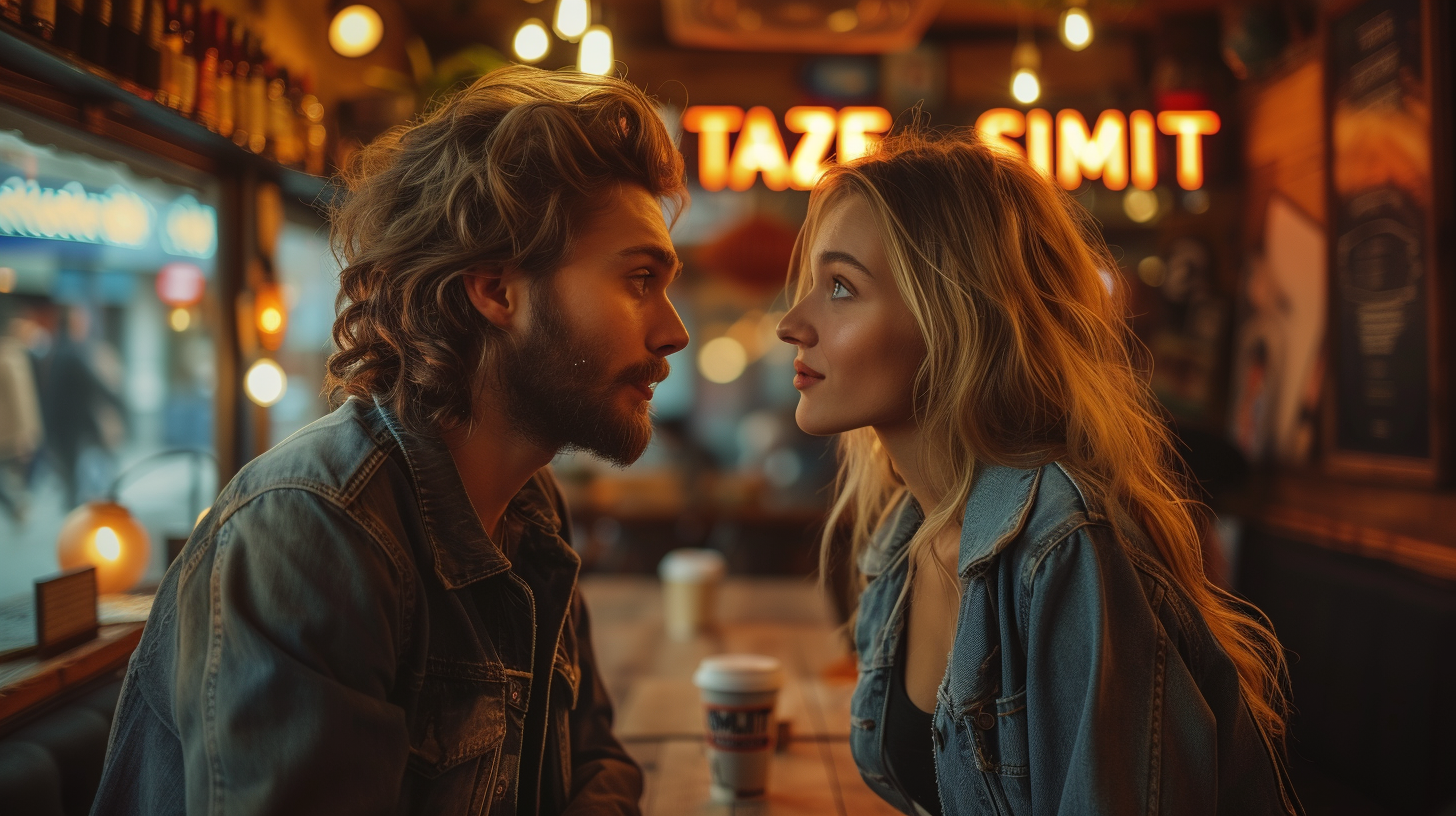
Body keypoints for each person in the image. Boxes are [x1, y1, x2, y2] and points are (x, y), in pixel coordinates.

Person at [93, 66, 689, 816]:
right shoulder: (311, 531)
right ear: (496, 290)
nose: (674, 332)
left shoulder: (528, 508)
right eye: (640, 279)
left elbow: (597, 758)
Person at [775, 129, 1302, 816]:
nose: (792, 323)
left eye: (841, 287)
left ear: (956, 315)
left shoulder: (1064, 547)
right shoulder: (907, 541)